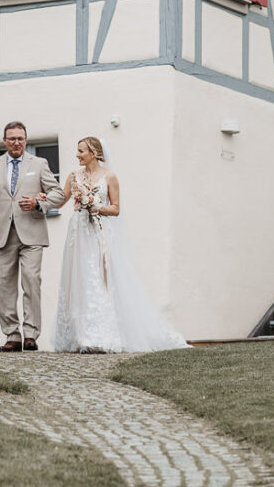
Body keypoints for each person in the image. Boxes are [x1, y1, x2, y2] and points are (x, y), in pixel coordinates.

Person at [50, 137, 189, 353]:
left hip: (99, 233)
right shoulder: (73, 176)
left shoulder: (109, 177)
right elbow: (61, 201)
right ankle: (77, 335)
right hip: (78, 233)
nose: (77, 155)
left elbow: (115, 209)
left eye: (80, 151)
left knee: (99, 277)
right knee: (77, 279)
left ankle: (100, 335)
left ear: (93, 152)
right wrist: (42, 200)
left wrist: (95, 206)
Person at [0, 121, 66, 352]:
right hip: (2, 235)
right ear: (4, 141)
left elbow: (59, 194)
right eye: (12, 139)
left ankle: (31, 334)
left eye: (20, 138)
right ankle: (12, 335)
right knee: (5, 287)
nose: (16, 142)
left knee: (31, 282)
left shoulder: (39, 163)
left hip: (32, 234)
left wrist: (38, 202)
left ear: (26, 140)